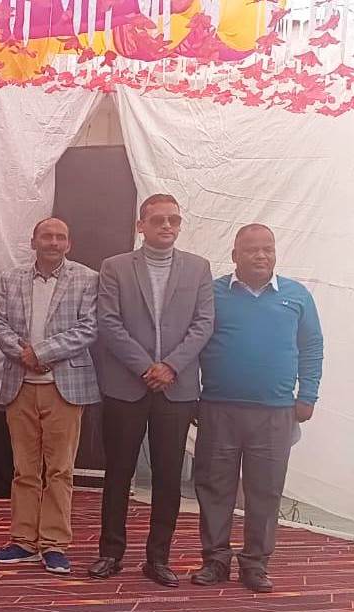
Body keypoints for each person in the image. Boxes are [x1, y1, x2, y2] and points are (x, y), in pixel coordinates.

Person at [189, 224, 322, 593]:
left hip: (275, 412)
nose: (261, 256)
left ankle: (255, 564)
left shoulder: (296, 296)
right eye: (251, 250)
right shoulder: (211, 293)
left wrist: (308, 395)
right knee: (214, 486)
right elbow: (191, 343)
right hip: (218, 409)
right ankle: (215, 560)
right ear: (235, 255)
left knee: (265, 489)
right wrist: (192, 395)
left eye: (268, 249)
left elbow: (312, 347)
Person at [89, 193, 214, 587]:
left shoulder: (198, 268)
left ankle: (158, 558)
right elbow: (108, 322)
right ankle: (110, 553)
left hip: (176, 388)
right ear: (140, 226)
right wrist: (147, 367)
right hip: (127, 385)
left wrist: (171, 366)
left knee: (168, 475)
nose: (166, 226)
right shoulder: (115, 267)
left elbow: (204, 323)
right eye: (157, 220)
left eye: (173, 220)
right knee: (118, 473)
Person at [0, 218, 99, 575]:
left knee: (60, 470)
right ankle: (22, 540)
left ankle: (54, 544)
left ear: (69, 244)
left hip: (64, 387)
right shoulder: (12, 279)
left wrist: (43, 353)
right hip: (20, 385)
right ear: (33, 241)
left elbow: (89, 328)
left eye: (60, 237)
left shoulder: (87, 279)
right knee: (25, 469)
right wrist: (24, 354)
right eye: (46, 236)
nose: (53, 242)